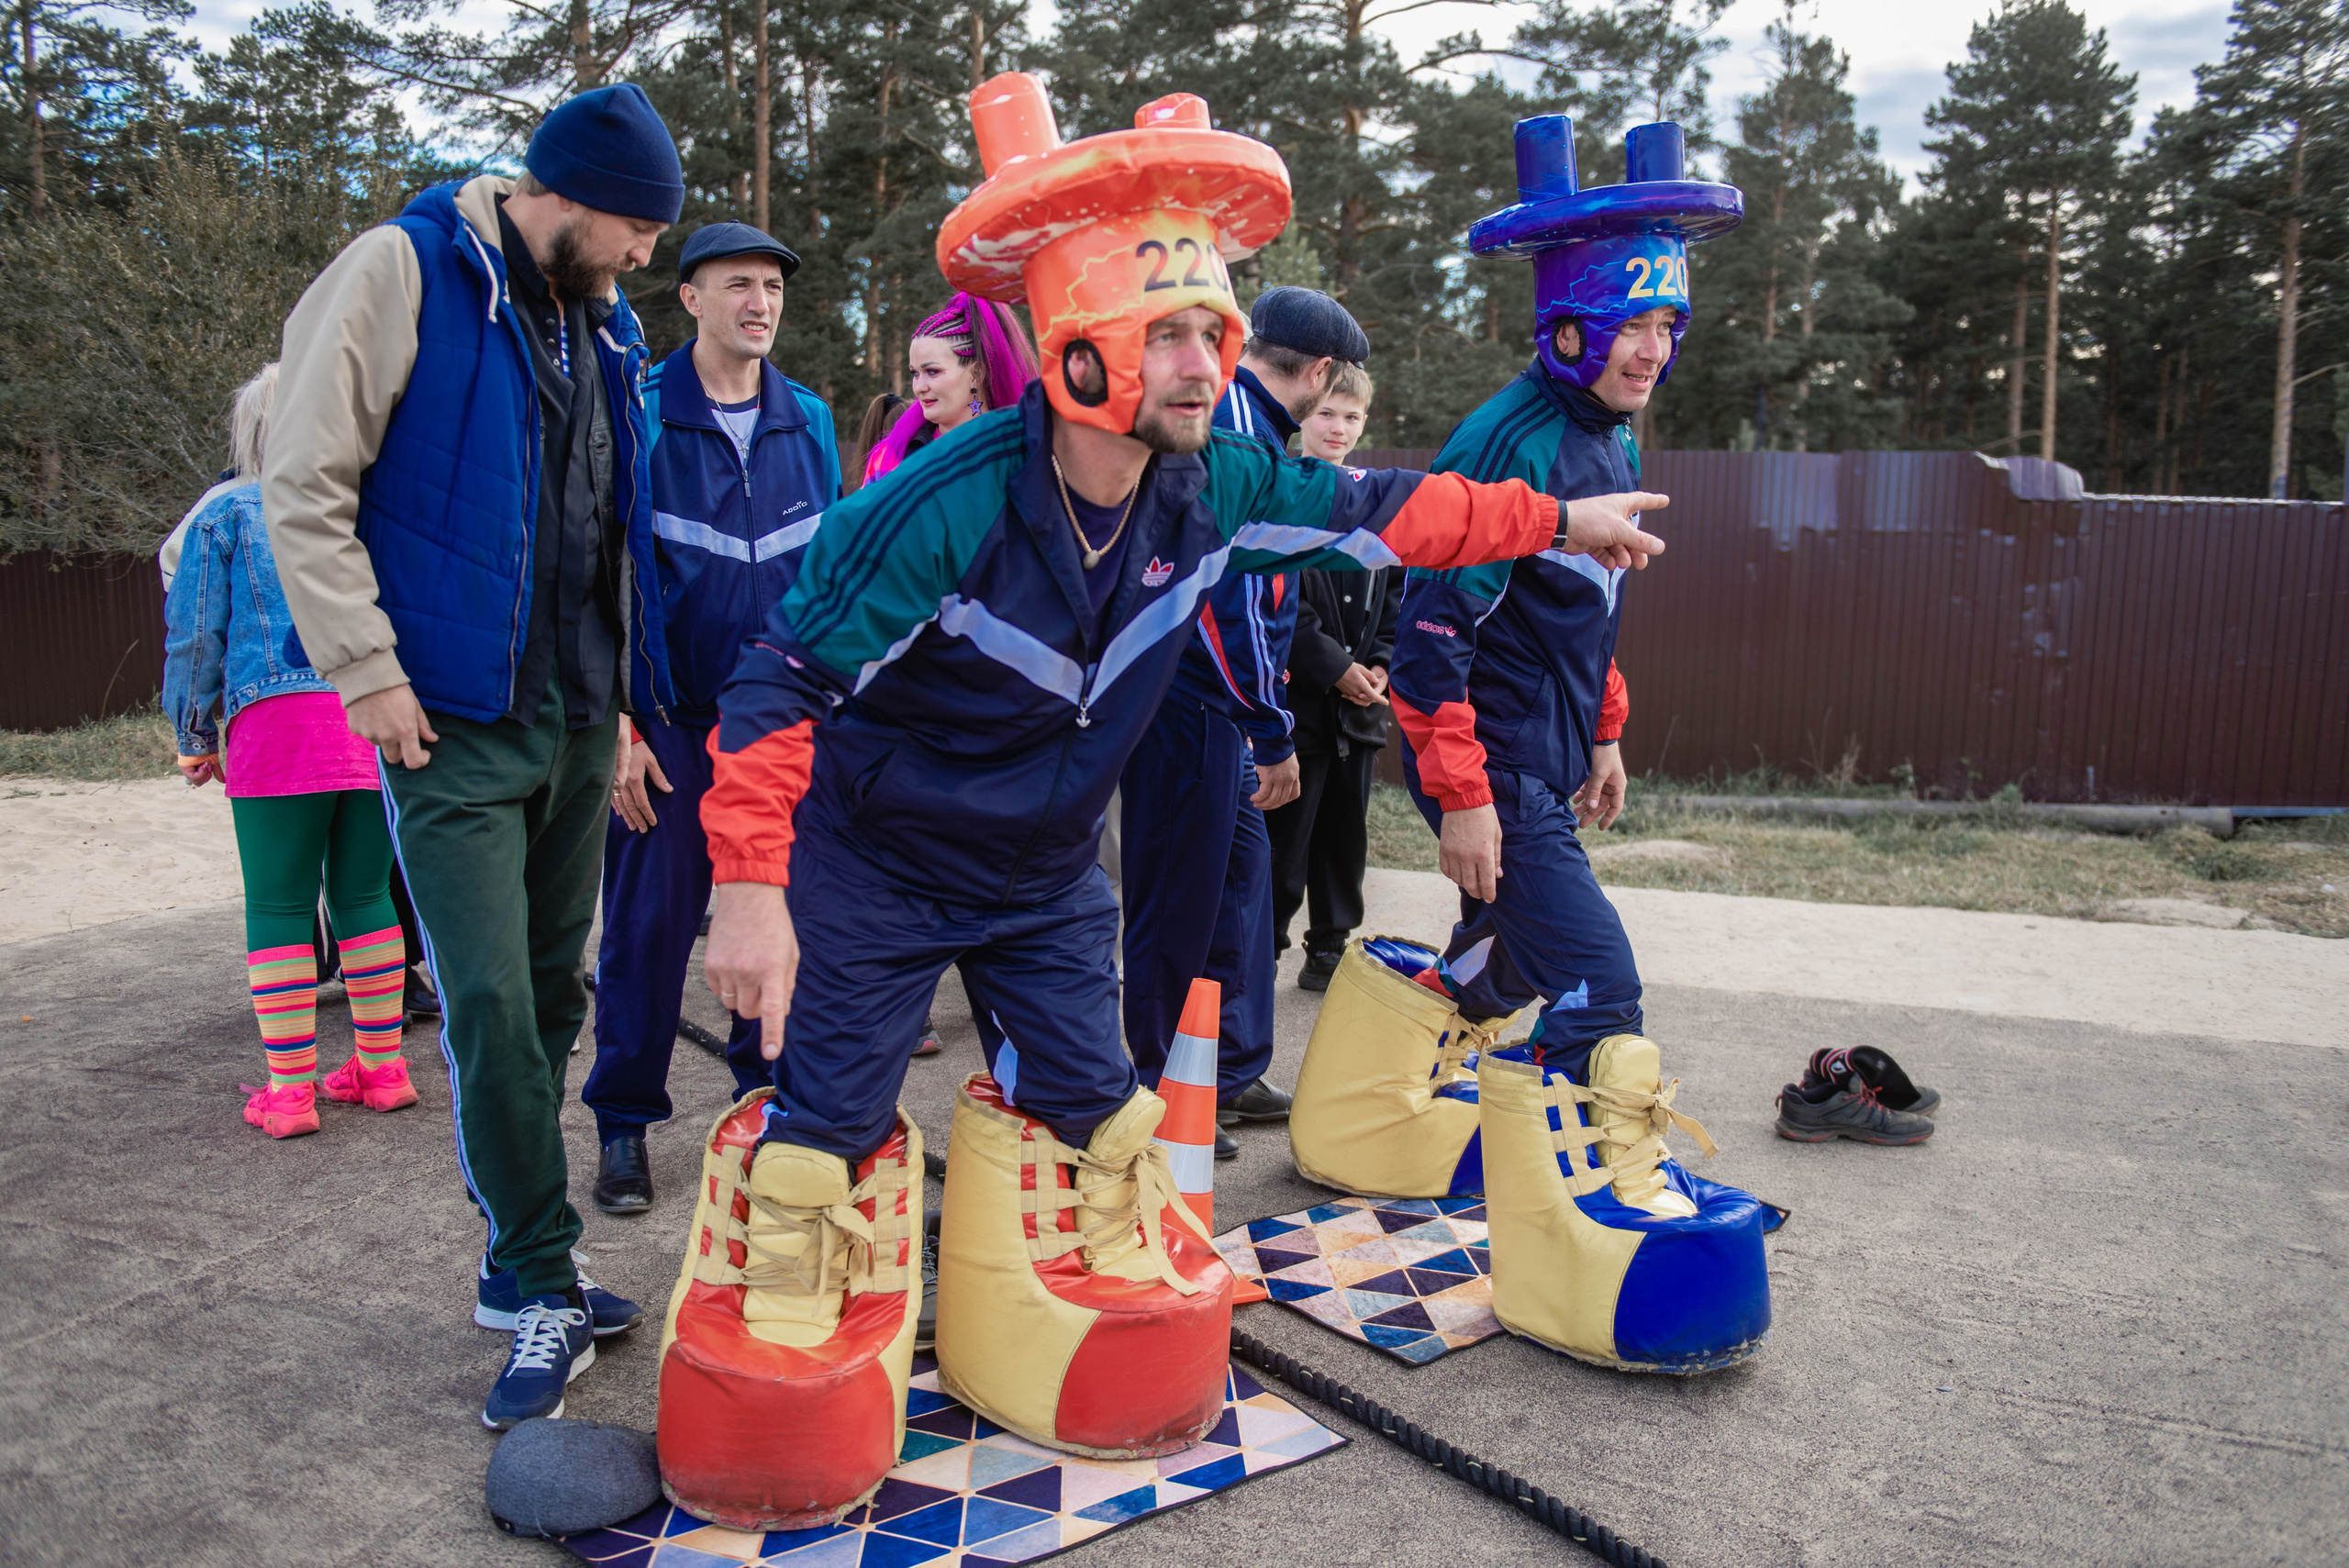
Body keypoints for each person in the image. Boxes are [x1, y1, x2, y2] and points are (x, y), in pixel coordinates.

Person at [664, 75, 1665, 1527]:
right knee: (822, 1135)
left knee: (1104, 1115)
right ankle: (792, 1310)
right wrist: (752, 892)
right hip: (877, 863)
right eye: (1170, 335)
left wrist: (1559, 519)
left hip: (1048, 874)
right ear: (1074, 349)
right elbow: (772, 693)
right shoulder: (935, 507)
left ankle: (1042, 1306)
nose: (1207, 365)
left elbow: (1396, 509)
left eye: (1215, 333)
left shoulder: (1212, 491)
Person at [262, 83, 685, 1429]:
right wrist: (365, 671)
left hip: (574, 719)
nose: (643, 261)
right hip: (448, 724)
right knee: (494, 1008)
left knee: (554, 994)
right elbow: (304, 479)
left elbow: (610, 533)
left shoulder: (594, 323)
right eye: (633, 231)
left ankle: (521, 1261)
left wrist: (620, 705)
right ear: (562, 198)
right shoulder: (403, 269)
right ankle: (545, 1279)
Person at [1388, 116, 1771, 1372]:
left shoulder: (1613, 429)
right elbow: (1428, 634)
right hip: (1483, 755)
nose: (1655, 351)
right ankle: (1571, 1229)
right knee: (1602, 984)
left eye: (1671, 328)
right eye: (1633, 326)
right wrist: (1463, 797)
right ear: (1569, 328)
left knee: (1503, 959)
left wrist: (1604, 733)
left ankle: (1417, 1051)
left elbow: (1594, 599)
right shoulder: (1511, 446)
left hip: (1542, 749)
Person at [579, 221, 840, 1217]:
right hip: (669, 728)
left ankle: (764, 1098)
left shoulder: (807, 418)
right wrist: (620, 725)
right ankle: (622, 1124)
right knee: (645, 936)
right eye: (738, 284)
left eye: (772, 286)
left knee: (776, 921)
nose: (760, 303)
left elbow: (831, 577)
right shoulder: (637, 414)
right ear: (688, 298)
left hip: (778, 731)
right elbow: (595, 582)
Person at [1119, 284, 1369, 1159]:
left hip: (1214, 702)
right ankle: (1156, 1093)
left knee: (1240, 885)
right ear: (1322, 371)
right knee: (1176, 903)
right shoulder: (1230, 431)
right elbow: (1231, 604)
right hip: (1187, 699)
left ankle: (1225, 1071)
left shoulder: (1246, 420)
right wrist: (1271, 730)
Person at [162, 364, 413, 1140]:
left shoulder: (228, 513)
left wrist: (194, 737)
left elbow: (195, 634)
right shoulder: (370, 510)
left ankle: (289, 1090)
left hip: (275, 728)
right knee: (366, 897)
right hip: (369, 722)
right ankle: (382, 1069)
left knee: (278, 903)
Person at [861, 292, 1042, 1060]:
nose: (919, 387)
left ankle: (1030, 1076)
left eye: (933, 370)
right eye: (913, 372)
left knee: (1005, 909)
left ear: (978, 373)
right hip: (913, 705)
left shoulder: (1020, 461)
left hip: (1002, 708)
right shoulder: (900, 457)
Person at [1267, 361, 1399, 991]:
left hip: (1361, 707)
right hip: (1300, 705)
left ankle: (1330, 946)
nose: (1339, 427)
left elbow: (1399, 589)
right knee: (1284, 837)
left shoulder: (1372, 497)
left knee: (1345, 834)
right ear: (1302, 412)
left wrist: (1379, 663)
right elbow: (1278, 602)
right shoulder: (1282, 491)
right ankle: (1261, 942)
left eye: (1351, 416)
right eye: (1327, 413)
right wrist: (1335, 666)